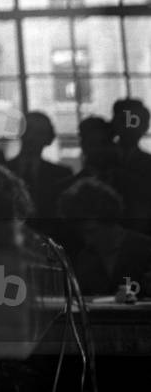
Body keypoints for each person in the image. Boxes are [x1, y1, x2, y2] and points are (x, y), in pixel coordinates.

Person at [56, 178, 151, 296]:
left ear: (109, 219)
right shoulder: (85, 261)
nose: (88, 241)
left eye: (92, 231)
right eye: (82, 233)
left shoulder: (145, 250)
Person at [7, 111, 73, 220]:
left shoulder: (62, 175)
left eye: (39, 133)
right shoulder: (3, 169)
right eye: (28, 130)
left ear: (48, 139)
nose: (31, 137)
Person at [110, 97, 151, 233]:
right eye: (124, 120)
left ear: (145, 126)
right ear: (114, 123)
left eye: (136, 121)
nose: (130, 126)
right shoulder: (101, 158)